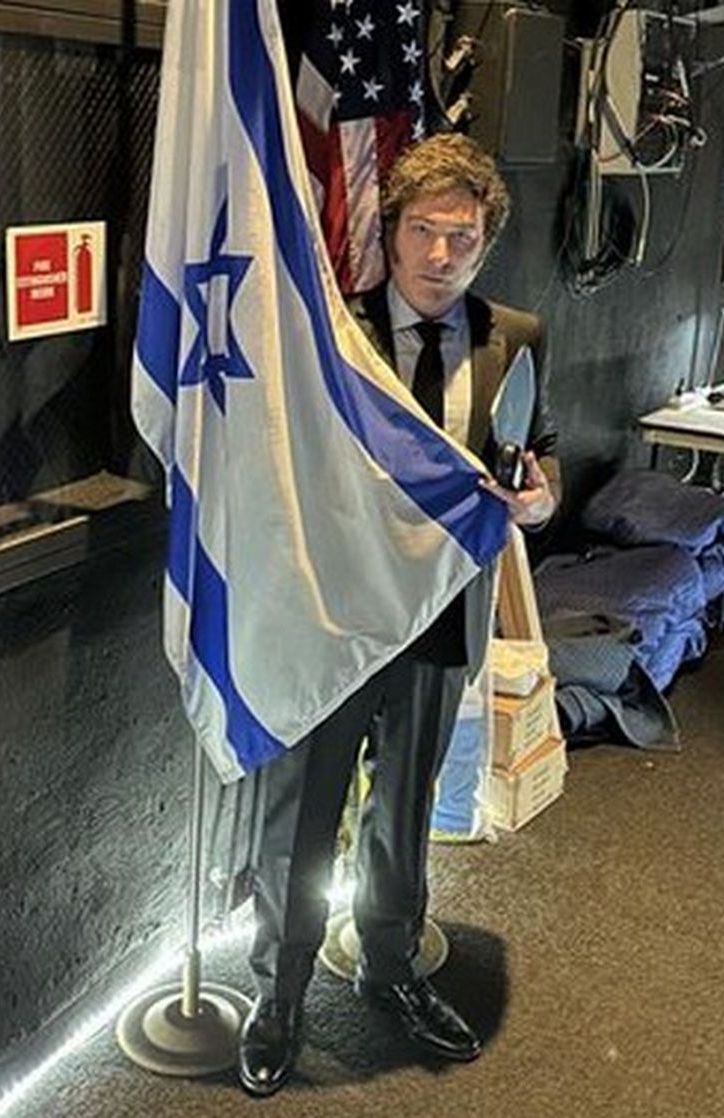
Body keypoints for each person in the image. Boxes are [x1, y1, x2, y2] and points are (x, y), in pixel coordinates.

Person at [237, 132, 560, 1097]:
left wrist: (540, 502)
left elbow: (542, 453)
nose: (439, 255)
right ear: (395, 228)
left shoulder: (520, 338)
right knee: (302, 813)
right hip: (339, 622)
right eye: (423, 230)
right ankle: (279, 992)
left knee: (405, 810)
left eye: (462, 236)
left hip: (436, 622)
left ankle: (389, 967)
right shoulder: (337, 334)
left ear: (485, 241)